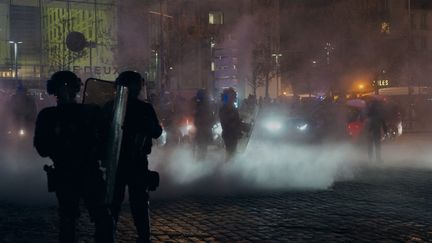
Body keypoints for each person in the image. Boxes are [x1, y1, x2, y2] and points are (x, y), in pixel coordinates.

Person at [33, 71, 113, 243]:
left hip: (82, 172)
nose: (69, 91)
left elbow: (106, 141)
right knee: (73, 220)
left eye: (70, 86)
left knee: (99, 219)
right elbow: (42, 148)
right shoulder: (52, 116)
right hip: (71, 172)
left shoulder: (52, 115)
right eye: (66, 86)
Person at [107, 71, 162, 243]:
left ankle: (109, 235)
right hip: (133, 162)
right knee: (138, 202)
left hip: (118, 162)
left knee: (114, 202)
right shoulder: (144, 108)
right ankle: (143, 237)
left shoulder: (110, 106)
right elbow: (157, 132)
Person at [219, 87, 248, 161]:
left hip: (231, 134)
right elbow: (229, 122)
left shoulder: (230, 107)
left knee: (232, 152)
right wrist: (241, 125)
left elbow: (235, 121)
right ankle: (229, 168)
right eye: (233, 96)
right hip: (229, 134)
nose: (234, 98)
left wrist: (242, 125)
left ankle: (230, 167)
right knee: (231, 153)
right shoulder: (226, 108)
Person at [193, 89, 214, 160]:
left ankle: (200, 162)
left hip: (202, 130)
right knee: (202, 149)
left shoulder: (199, 105)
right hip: (203, 131)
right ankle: (200, 163)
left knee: (202, 149)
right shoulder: (203, 106)